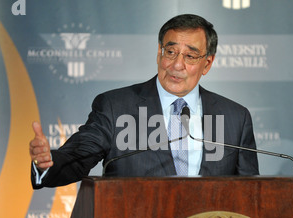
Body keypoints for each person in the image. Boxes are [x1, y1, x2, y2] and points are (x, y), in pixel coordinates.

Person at [30, 14, 259, 189]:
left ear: (207, 63)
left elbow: (250, 193)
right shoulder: (115, 107)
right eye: (170, 52)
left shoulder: (235, 118)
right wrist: (49, 162)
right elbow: (77, 157)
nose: (177, 65)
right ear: (159, 53)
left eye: (190, 56)